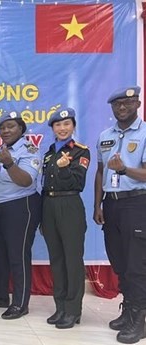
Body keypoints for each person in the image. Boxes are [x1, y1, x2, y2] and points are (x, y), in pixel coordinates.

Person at [94, 86, 146, 344]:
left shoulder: (145, 133)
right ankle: (128, 310)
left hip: (137, 204)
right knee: (120, 263)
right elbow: (101, 172)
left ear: (137, 103)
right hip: (111, 205)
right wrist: (97, 205)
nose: (121, 108)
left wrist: (125, 170)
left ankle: (140, 319)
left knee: (137, 265)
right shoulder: (105, 135)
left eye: (127, 103)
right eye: (117, 104)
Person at [0, 111, 41, 320]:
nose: (5, 131)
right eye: (2, 127)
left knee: (18, 256)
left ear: (21, 128)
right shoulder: (1, 150)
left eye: (10, 126)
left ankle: (20, 303)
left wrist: (10, 163)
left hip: (20, 206)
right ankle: (1, 296)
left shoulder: (29, 149)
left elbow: (26, 180)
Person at [41, 108, 90, 329]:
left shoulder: (80, 152)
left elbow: (78, 183)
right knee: (57, 260)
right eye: (58, 125)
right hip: (49, 206)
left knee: (72, 260)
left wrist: (63, 170)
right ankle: (60, 306)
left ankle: (73, 310)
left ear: (73, 126)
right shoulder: (49, 153)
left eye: (66, 124)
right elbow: (44, 187)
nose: (62, 128)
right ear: (53, 128)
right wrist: (43, 216)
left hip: (69, 205)